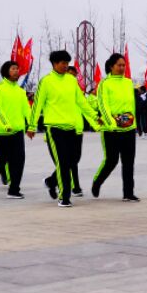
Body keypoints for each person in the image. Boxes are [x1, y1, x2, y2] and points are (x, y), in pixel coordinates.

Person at [34, 50, 97, 206]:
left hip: (71, 128)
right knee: (63, 162)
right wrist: (31, 125)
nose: (65, 66)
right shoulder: (46, 81)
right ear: (54, 64)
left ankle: (51, 181)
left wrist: (95, 117)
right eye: (62, 63)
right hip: (54, 128)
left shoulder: (71, 80)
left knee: (73, 160)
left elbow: (81, 101)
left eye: (67, 63)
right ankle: (64, 197)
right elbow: (37, 104)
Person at [92, 53, 141, 201]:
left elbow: (132, 105)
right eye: (119, 65)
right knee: (111, 160)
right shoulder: (104, 83)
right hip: (111, 129)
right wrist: (111, 123)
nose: (122, 68)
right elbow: (103, 105)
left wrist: (135, 124)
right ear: (111, 66)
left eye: (123, 65)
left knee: (129, 162)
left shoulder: (128, 82)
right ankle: (97, 182)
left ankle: (128, 193)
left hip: (129, 128)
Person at [0, 60, 31, 197]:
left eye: (17, 69)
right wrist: (6, 124)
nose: (16, 71)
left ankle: (14, 190)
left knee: (19, 160)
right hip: (1, 131)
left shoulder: (21, 91)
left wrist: (31, 124)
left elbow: (26, 109)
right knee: (1, 160)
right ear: (6, 71)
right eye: (13, 69)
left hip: (17, 130)